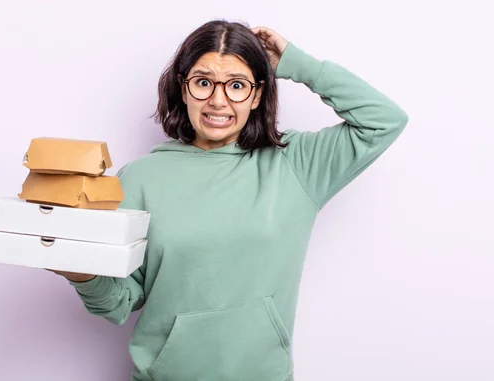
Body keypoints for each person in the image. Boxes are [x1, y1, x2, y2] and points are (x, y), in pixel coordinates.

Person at [51, 19, 408, 381]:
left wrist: (301, 66)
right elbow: (120, 302)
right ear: (184, 88)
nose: (218, 100)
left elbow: (383, 121)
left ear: (256, 95)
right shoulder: (139, 178)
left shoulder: (296, 164)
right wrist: (82, 274)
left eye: (236, 85)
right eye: (204, 82)